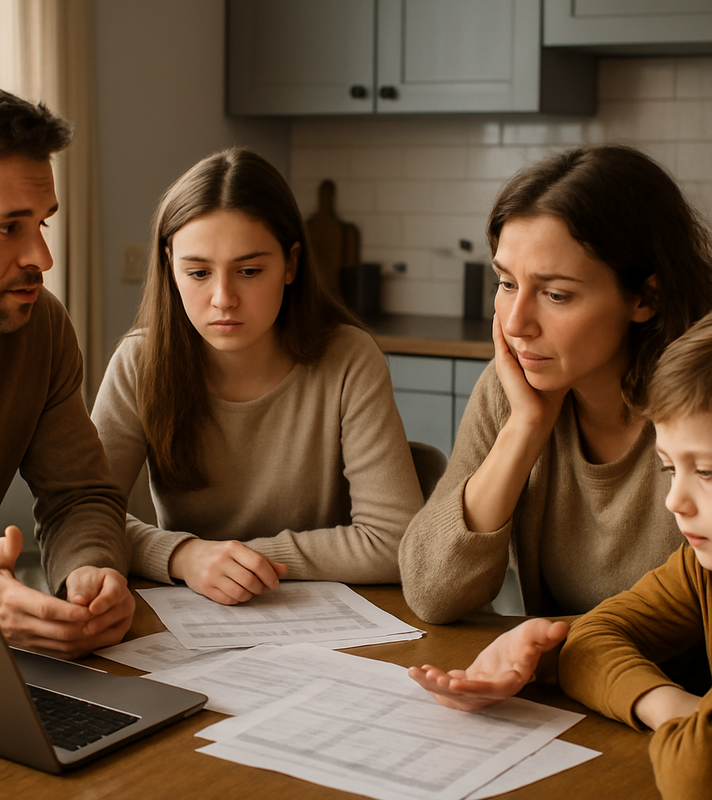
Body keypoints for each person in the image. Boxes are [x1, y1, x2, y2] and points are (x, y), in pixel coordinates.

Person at [91, 147, 423, 605]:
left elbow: (394, 542)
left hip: (329, 623)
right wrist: (183, 556)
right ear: (170, 265)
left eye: (249, 271)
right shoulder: (139, 362)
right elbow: (85, 518)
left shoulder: (348, 359)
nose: (223, 298)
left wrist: (242, 560)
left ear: (290, 264)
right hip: (190, 620)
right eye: (198, 272)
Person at [399, 144, 712, 624]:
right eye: (506, 283)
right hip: (561, 688)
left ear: (648, 296)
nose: (516, 323)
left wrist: (553, 645)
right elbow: (432, 592)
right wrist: (525, 426)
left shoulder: (701, 403)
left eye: (556, 294)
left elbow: (689, 632)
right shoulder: (516, 387)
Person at [409, 311, 712, 800]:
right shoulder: (698, 571)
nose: (674, 500)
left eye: (708, 473)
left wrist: (687, 724)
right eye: (669, 468)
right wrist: (670, 705)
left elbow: (695, 772)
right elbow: (592, 637)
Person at [0, 76, 133, 658]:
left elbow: (78, 495)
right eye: (8, 227)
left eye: (43, 223)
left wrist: (89, 573)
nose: (42, 258)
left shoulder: (39, 327)